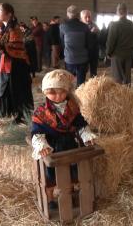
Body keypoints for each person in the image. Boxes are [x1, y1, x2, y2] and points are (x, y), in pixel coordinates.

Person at [31, 69, 97, 210]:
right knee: (51, 176)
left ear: (67, 90)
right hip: (52, 147)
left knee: (73, 171)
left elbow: (81, 124)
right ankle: (50, 199)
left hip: (69, 145)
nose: (57, 96)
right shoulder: (41, 112)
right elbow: (37, 131)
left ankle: (70, 195)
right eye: (52, 92)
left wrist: (86, 136)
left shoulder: (73, 108)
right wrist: (41, 145)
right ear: (45, 92)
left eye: (61, 91)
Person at [0, 3, 34, 123]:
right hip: (7, 63)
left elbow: (16, 47)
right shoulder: (5, 28)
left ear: (9, 14)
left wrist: (0, 47)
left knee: (17, 89)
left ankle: (20, 114)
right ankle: (16, 113)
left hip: (16, 65)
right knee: (9, 89)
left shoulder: (14, 28)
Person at [106, 3, 133, 85]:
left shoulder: (114, 25)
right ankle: (128, 95)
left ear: (117, 12)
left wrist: (108, 53)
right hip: (129, 54)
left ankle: (120, 96)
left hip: (117, 55)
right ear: (127, 12)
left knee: (118, 78)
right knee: (127, 78)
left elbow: (111, 41)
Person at [60, 5, 90, 87]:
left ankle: (70, 98)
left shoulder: (63, 27)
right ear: (78, 15)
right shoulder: (85, 27)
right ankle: (79, 98)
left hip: (69, 59)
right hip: (82, 59)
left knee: (69, 83)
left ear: (67, 14)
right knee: (81, 84)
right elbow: (88, 44)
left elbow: (62, 43)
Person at [81, 10, 99, 77]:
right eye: (86, 17)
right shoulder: (80, 27)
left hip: (94, 51)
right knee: (83, 70)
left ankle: (93, 84)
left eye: (89, 17)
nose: (88, 19)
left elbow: (100, 38)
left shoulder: (94, 25)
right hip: (84, 52)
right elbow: (82, 39)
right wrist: (91, 33)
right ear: (81, 18)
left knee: (94, 71)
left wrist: (97, 32)